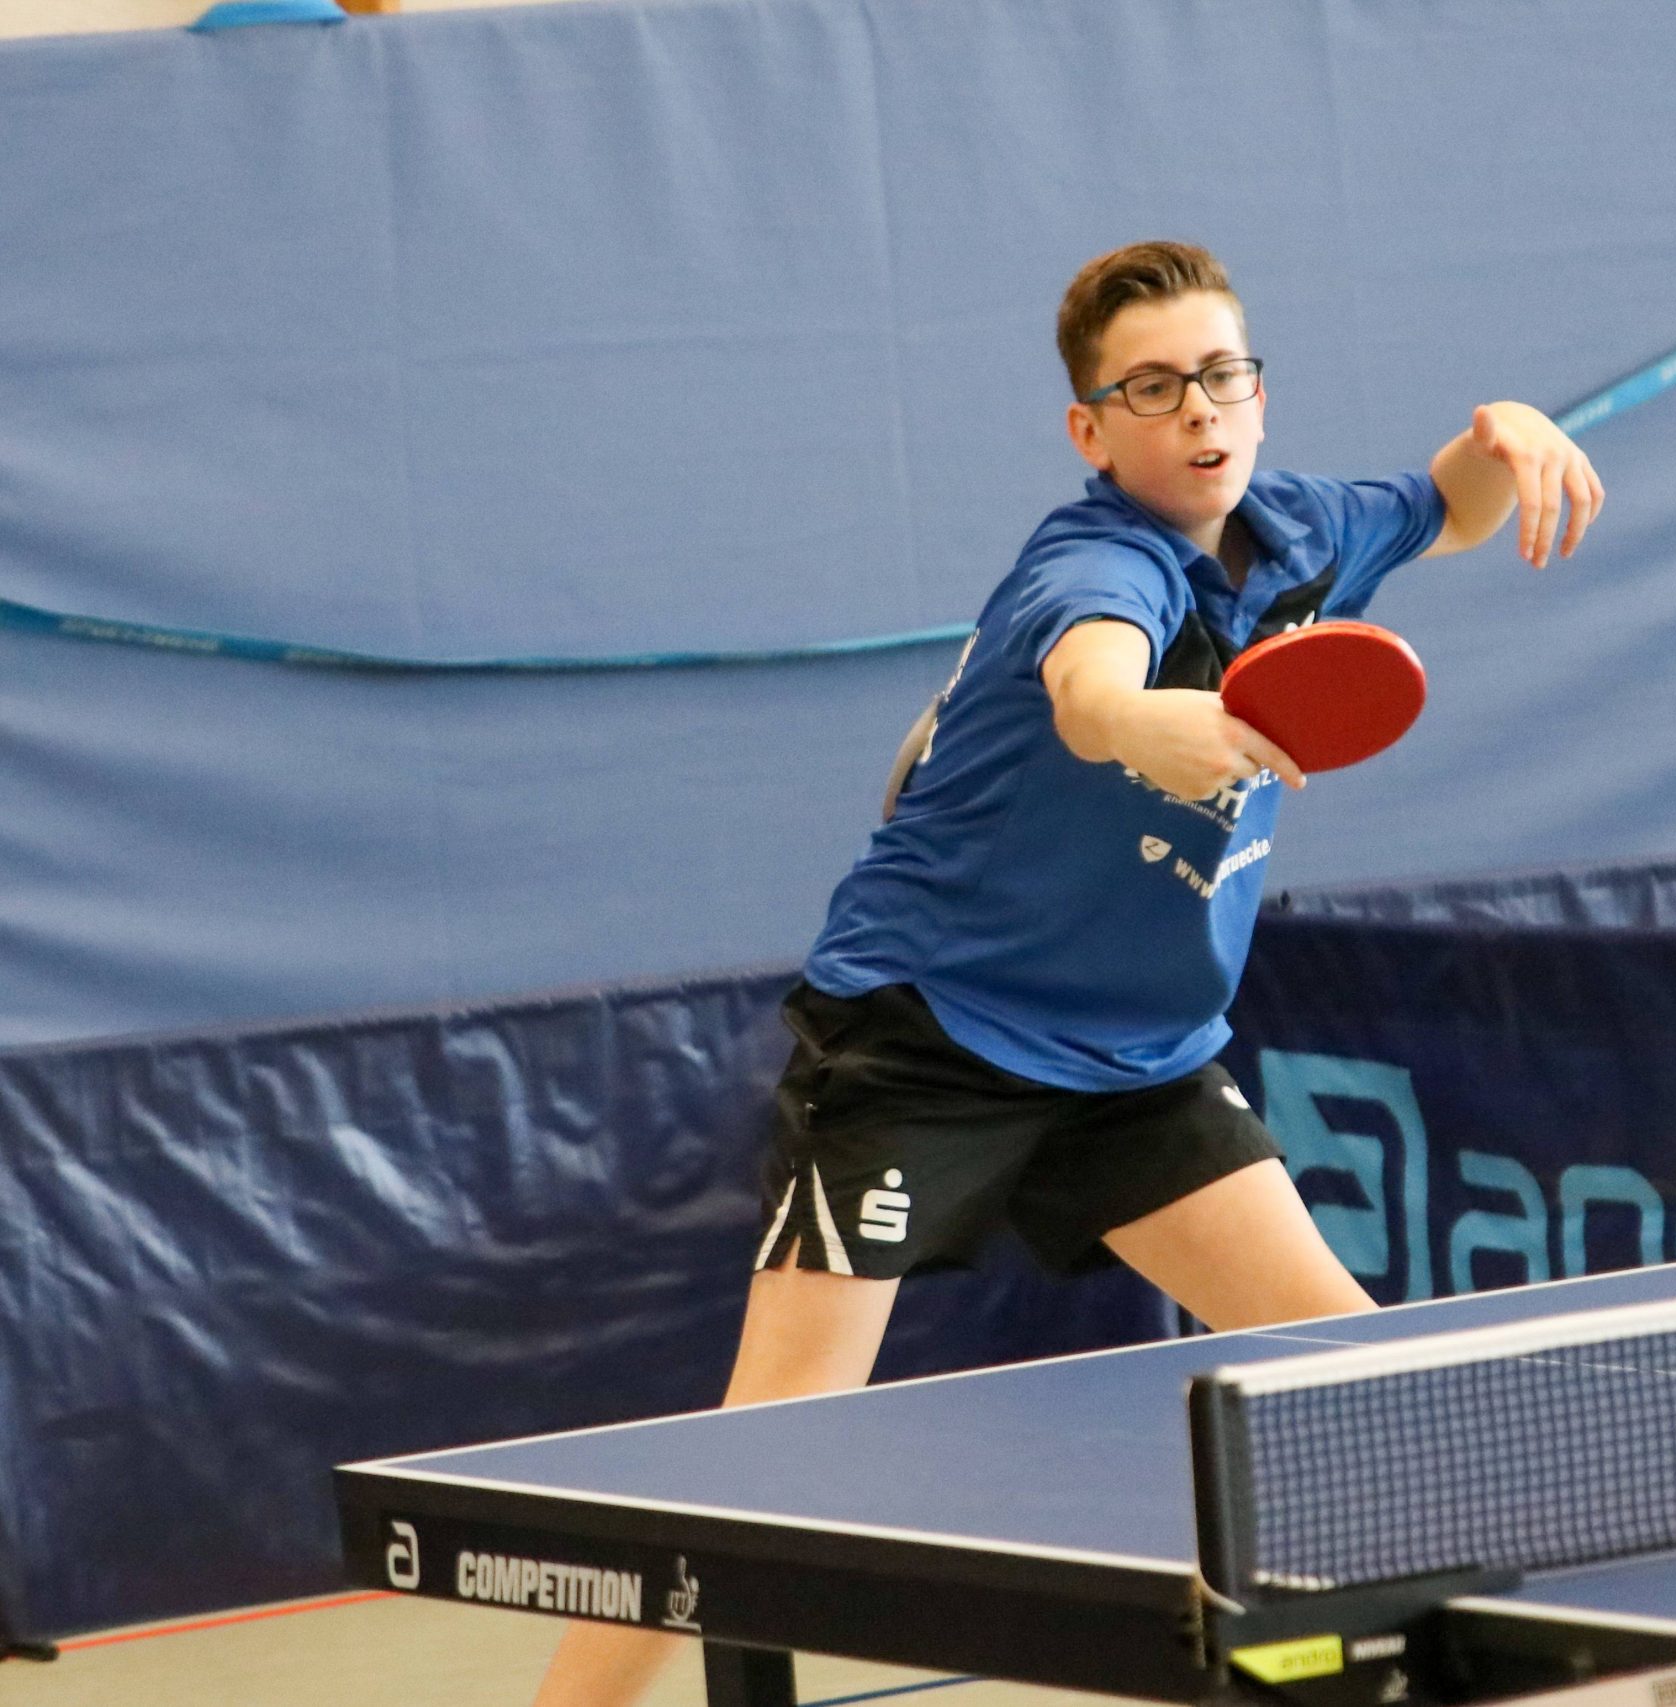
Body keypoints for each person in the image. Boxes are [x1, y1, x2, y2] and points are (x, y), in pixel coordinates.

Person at [531, 239, 1603, 1706]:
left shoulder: (1301, 532)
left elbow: (1447, 509)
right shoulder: (1093, 566)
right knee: (760, 1453)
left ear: (1257, 392)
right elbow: (1090, 687)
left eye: (1220, 375)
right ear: (1091, 429)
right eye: (1152, 389)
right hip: (928, 1038)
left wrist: (1505, 438)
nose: (1198, 409)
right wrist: (1146, 723)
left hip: (1139, 1064)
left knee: (1358, 1372)